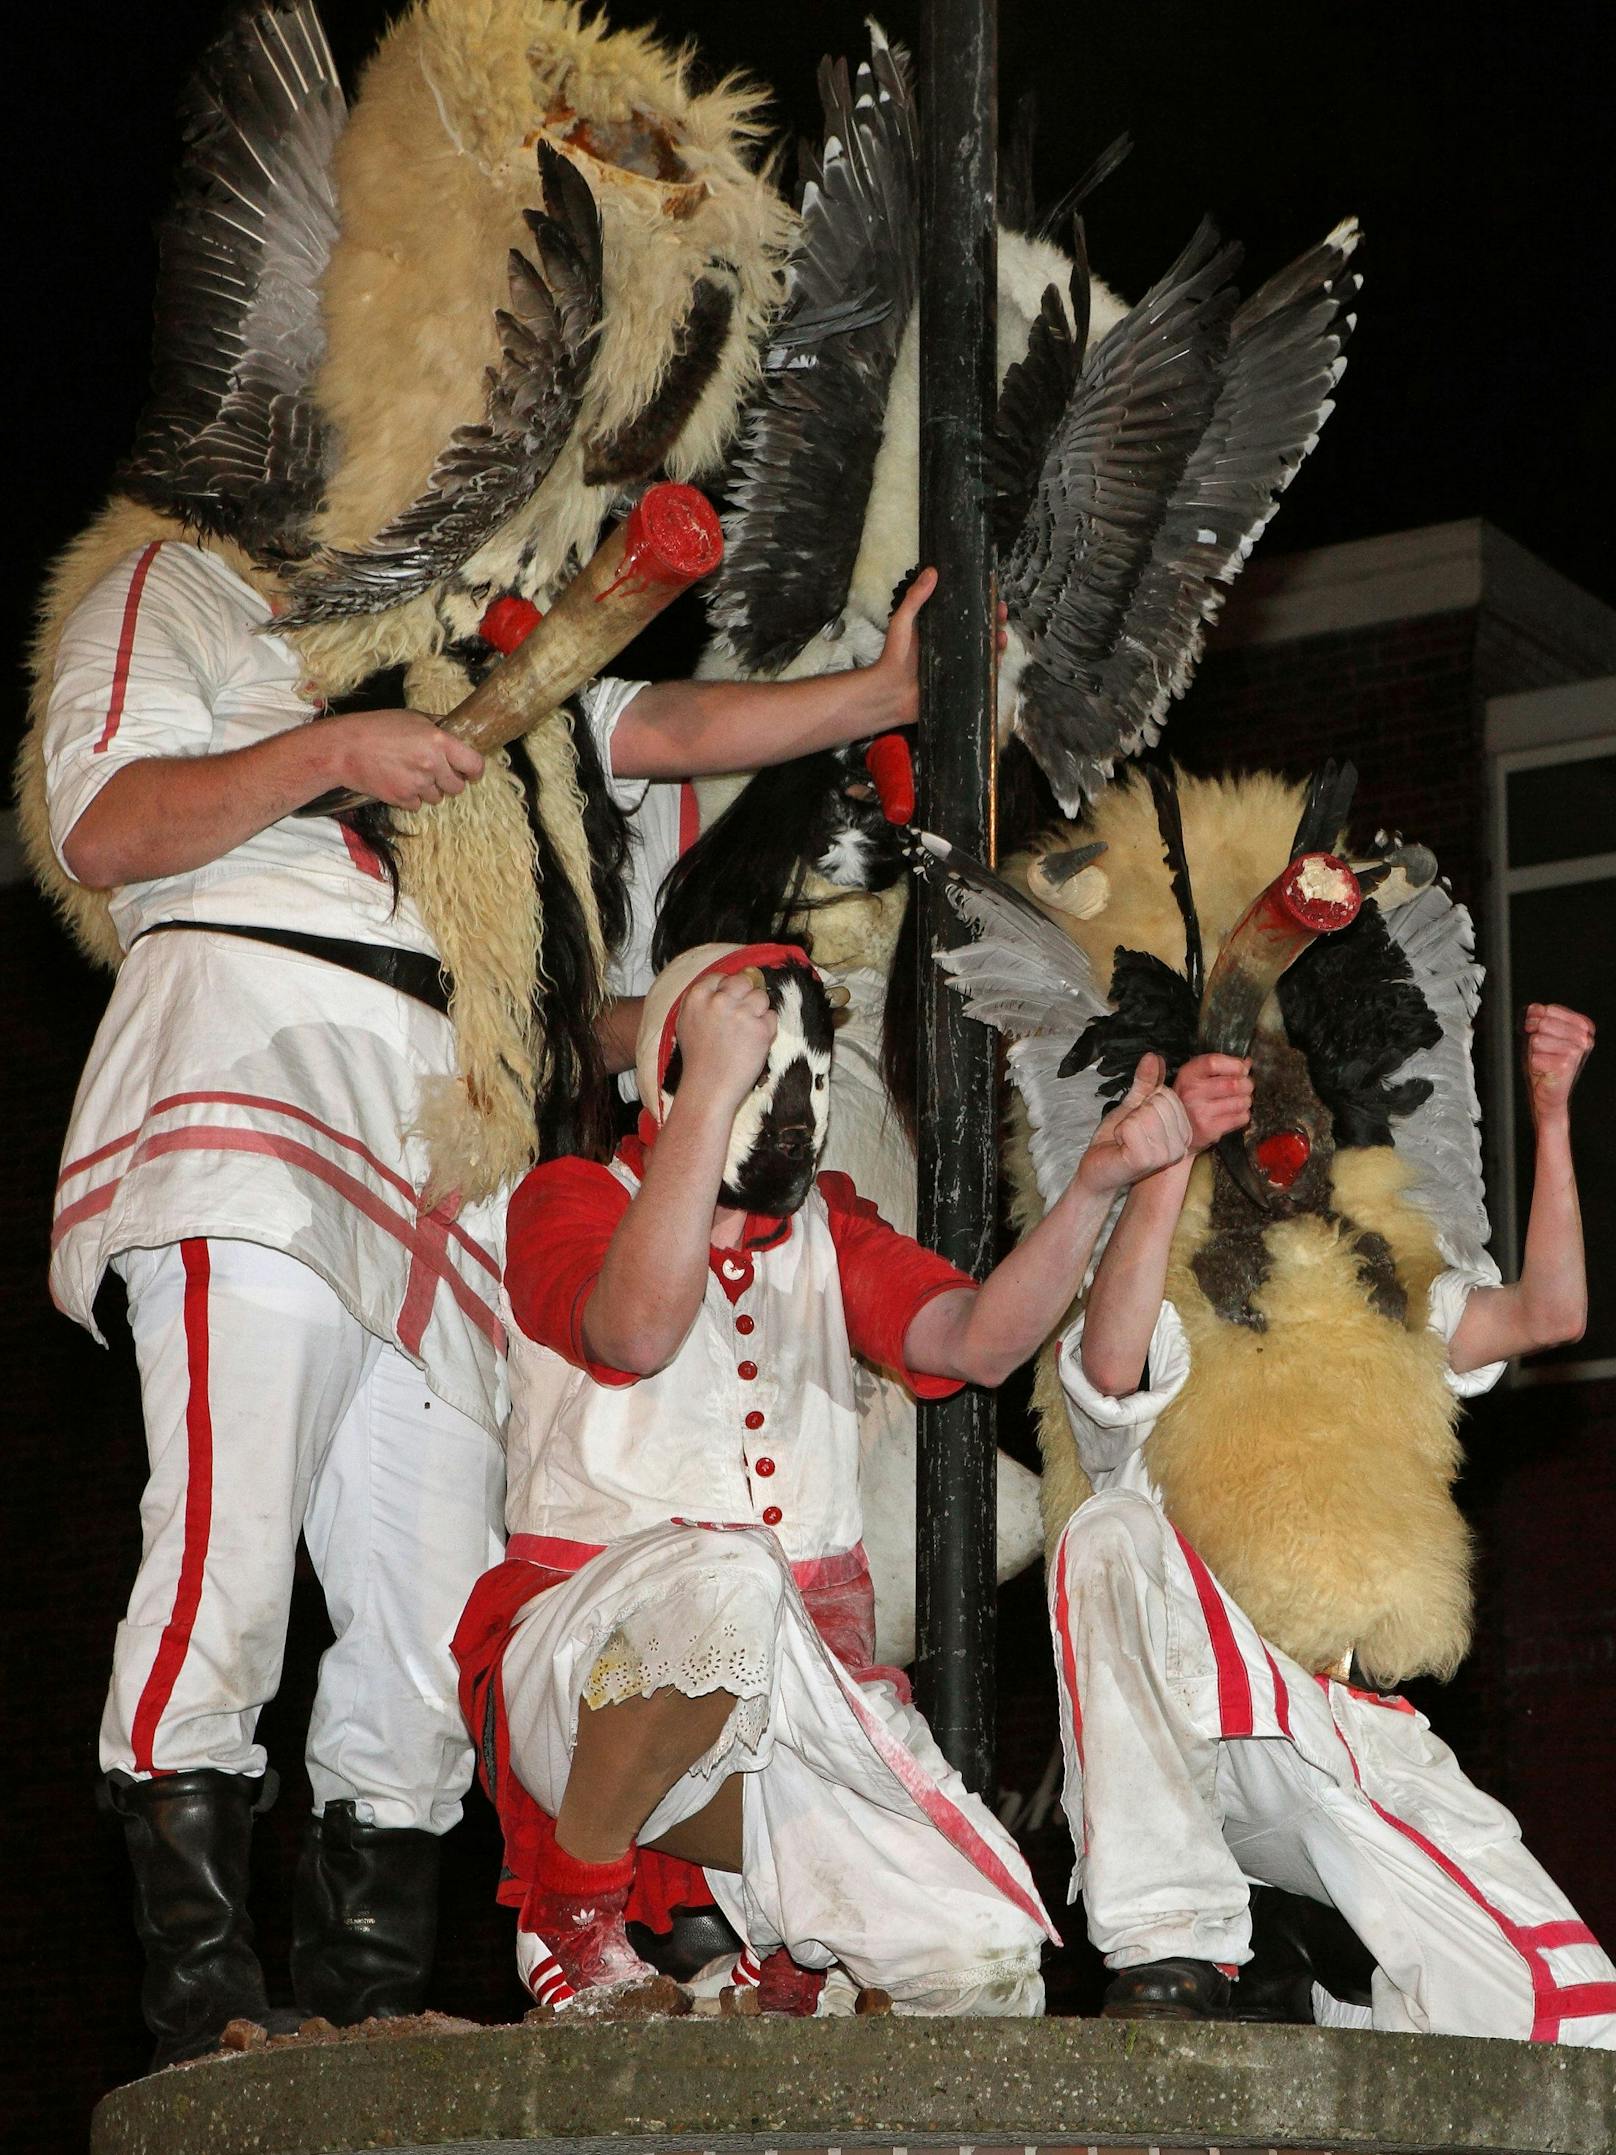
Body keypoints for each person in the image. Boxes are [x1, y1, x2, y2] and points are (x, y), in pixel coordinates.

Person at [41, 529, 935, 2066]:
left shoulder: (459, 616)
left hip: (460, 1131)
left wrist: (879, 692)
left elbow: (647, 723)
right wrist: (333, 750)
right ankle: (208, 1997)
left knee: (424, 1610)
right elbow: (101, 829)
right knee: (227, 1549)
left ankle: (373, 2001)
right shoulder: (181, 583)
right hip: (253, 1060)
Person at [455, 942, 1244, 2017]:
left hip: (789, 1704)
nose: (792, 1107)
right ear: (673, 1075)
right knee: (729, 1576)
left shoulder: (833, 1227)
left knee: (987, 1964)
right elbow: (632, 1332)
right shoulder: (570, 1196)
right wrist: (705, 1097)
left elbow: (978, 1341)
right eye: (756, 1073)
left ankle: (774, 1963)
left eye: (807, 1076)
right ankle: (572, 1911)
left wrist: (1098, 1184)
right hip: (580, 1677)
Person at [1048, 1007, 1616, 2043]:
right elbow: (1105, 1365)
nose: (1280, 1133)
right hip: (1210, 1699)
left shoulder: (1388, 1296)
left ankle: (1328, 1989)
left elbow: (1549, 1316)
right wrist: (1164, 1165)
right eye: (1245, 1115)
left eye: (1295, 1107)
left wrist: (1550, 1117)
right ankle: (1168, 1936)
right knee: (1110, 1532)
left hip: (1354, 1723)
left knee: (1573, 2018)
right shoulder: (1168, 1294)